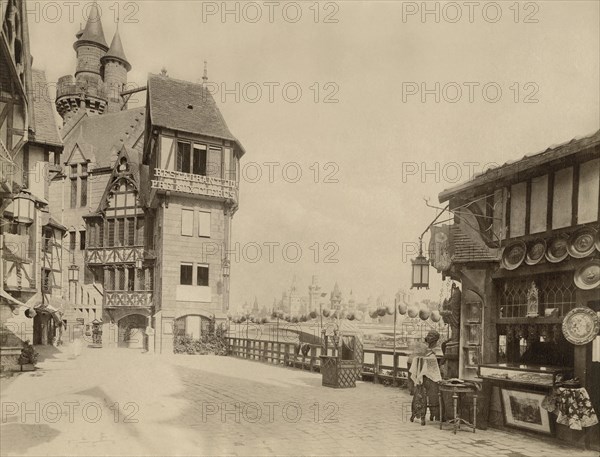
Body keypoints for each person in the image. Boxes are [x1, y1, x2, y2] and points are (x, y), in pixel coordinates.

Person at [409, 330, 442, 425]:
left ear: (435, 339)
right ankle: (425, 413)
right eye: (429, 336)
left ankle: (433, 414)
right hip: (427, 376)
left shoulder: (435, 349)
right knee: (425, 393)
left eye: (431, 336)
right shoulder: (428, 349)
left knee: (431, 394)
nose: (429, 338)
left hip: (428, 376)